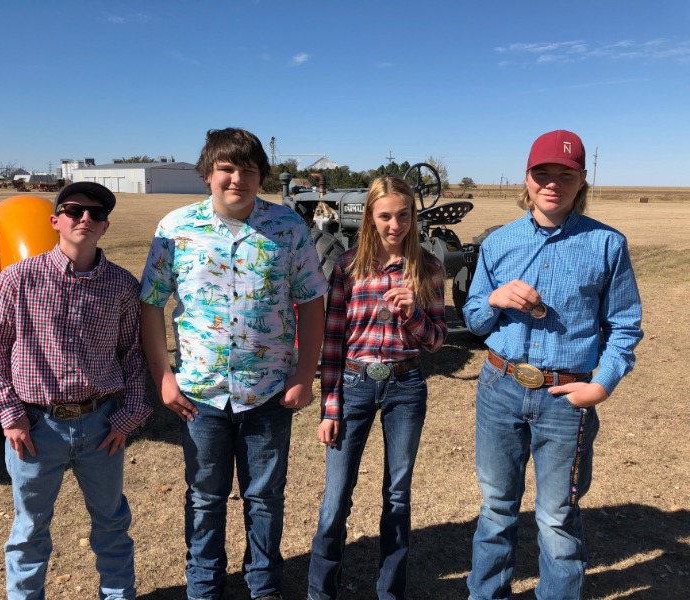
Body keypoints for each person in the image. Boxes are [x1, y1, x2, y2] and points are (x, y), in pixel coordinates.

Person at [139, 128, 328, 600]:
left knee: (264, 498)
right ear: (208, 173)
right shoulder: (175, 228)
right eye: (226, 168)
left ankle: (263, 586)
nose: (237, 179)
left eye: (248, 170)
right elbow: (151, 303)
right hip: (199, 395)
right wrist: (164, 377)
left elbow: (312, 303)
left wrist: (305, 375)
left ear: (261, 176)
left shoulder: (289, 227)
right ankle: (204, 586)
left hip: (268, 392)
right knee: (205, 497)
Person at [463, 130, 643, 599]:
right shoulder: (499, 242)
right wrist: (495, 299)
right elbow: (474, 318)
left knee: (557, 517)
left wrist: (601, 385)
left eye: (565, 174)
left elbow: (625, 326)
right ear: (527, 177)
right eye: (542, 173)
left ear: (582, 181)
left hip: (566, 398)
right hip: (499, 387)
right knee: (496, 508)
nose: (552, 183)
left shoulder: (607, 244)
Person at [0, 181, 153, 599]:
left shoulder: (122, 285)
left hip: (100, 425)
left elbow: (133, 354)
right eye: (74, 210)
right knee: (30, 527)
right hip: (36, 426)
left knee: (112, 522)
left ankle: (118, 594)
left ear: (105, 227)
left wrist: (129, 416)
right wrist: (10, 414)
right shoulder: (18, 279)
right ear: (55, 221)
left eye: (96, 214)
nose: (85, 218)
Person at [307, 176, 448, 600]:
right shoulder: (348, 266)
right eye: (385, 216)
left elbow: (436, 341)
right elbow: (333, 341)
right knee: (336, 499)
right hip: (354, 383)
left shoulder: (428, 267)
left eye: (404, 215)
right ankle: (320, 593)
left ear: (413, 216)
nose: (395, 225)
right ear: (370, 217)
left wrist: (413, 314)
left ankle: (390, 592)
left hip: (406, 384)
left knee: (398, 497)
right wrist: (330, 407)